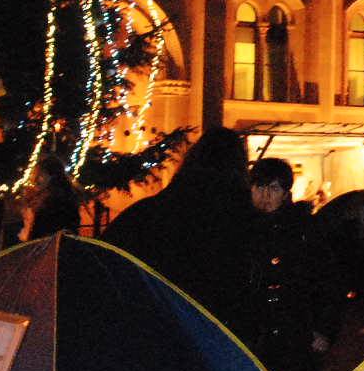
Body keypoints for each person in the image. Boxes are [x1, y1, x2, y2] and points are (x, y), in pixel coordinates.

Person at [101, 127, 254, 336]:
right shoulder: (242, 217)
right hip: (214, 330)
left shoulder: (151, 212)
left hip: (158, 321)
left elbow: (110, 257)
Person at [244, 158, 342, 371]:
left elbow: (327, 281)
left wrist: (324, 328)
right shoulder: (240, 228)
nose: (266, 196)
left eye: (274, 188)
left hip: (296, 329)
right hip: (255, 329)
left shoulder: (304, 230)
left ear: (286, 193)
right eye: (260, 187)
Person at [22, 152, 83, 240]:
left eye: (40, 175)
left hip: (51, 248)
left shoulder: (52, 201)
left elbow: (39, 233)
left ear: (50, 176)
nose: (36, 180)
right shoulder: (67, 195)